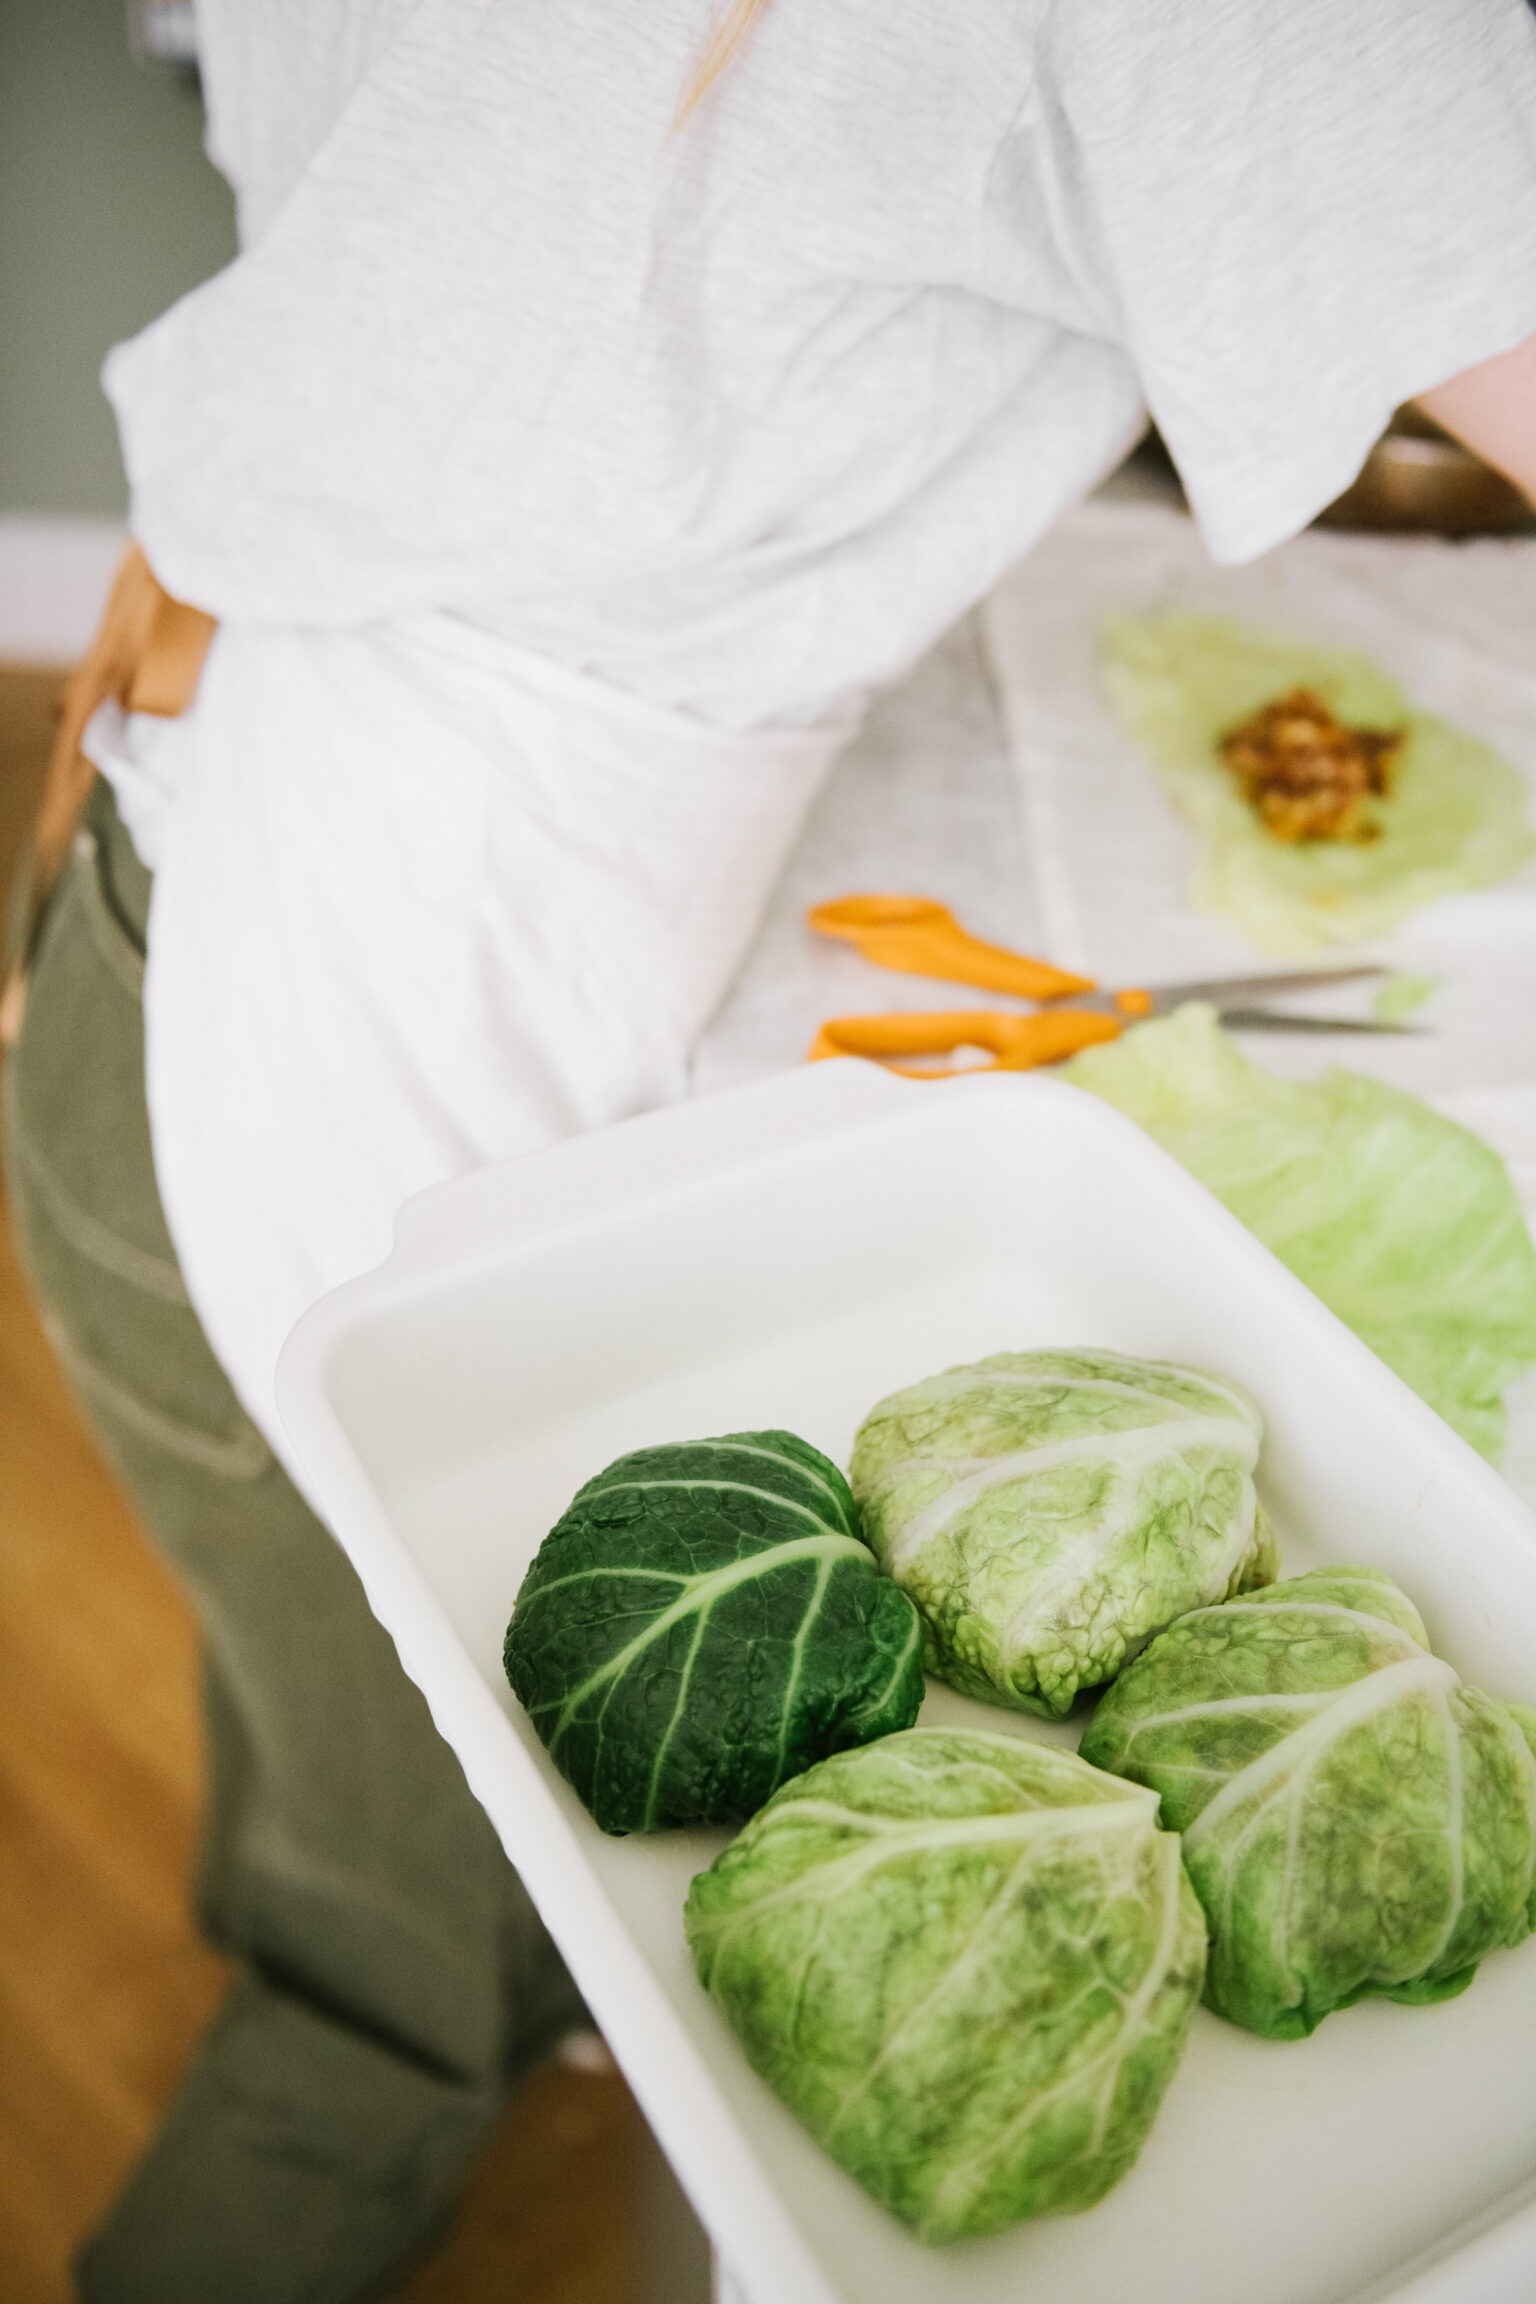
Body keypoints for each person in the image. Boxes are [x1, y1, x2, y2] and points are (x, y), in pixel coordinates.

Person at [6, 2, 1536, 2297]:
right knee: (365, 1847)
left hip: (289, 941)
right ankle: (388, 2046)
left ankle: (385, 2008)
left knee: (385, 1777)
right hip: (247, 999)